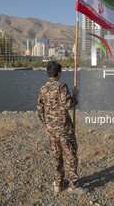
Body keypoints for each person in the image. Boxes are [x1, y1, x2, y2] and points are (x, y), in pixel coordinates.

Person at [37, 61, 89, 194]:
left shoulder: (43, 88)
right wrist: (75, 97)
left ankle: (58, 183)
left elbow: (40, 109)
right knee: (70, 155)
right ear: (59, 73)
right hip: (64, 129)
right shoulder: (61, 86)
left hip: (51, 129)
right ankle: (74, 186)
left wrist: (46, 125)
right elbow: (67, 104)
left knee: (56, 155)